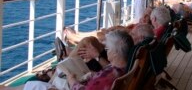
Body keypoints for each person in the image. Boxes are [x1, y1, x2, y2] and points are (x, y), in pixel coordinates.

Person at [0, 30, 134, 90]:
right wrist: (92, 74)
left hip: (76, 85)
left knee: (38, 86)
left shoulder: (108, 76)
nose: (106, 50)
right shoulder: (121, 70)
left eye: (108, 49)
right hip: (88, 80)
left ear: (116, 53)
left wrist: (72, 80)